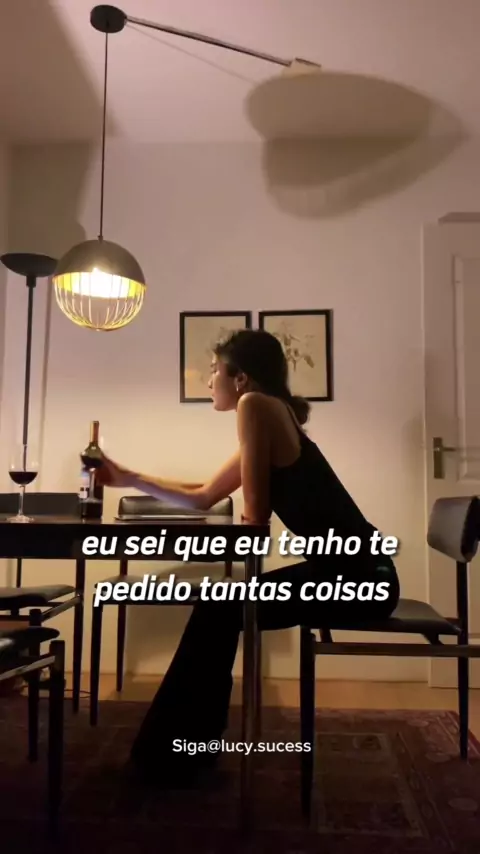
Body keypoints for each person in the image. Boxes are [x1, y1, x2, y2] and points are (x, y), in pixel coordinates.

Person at [96, 328, 400, 786]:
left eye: (214, 370)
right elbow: (204, 496)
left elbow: (255, 518)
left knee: (218, 608)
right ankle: (184, 749)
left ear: (241, 378)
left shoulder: (255, 406)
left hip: (360, 578)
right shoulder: (269, 410)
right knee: (218, 607)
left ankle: (176, 754)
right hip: (356, 570)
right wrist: (128, 477)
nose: (209, 381)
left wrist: (246, 518)